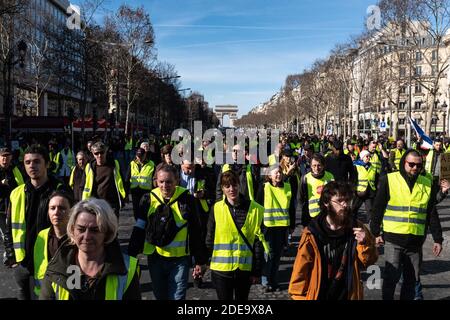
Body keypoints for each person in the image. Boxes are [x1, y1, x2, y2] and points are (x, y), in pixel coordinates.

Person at [370, 149, 444, 300]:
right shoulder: (389, 180)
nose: (415, 168)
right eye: (411, 164)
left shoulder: (427, 183)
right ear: (404, 163)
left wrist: (438, 238)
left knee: (411, 281)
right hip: (393, 239)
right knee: (391, 279)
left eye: (419, 165)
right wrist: (375, 233)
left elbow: (431, 212)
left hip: (415, 242)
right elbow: (378, 207)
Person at [127, 163, 207, 300]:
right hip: (155, 258)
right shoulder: (147, 199)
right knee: (160, 296)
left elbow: (195, 231)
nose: (165, 186)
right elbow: (139, 228)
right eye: (161, 182)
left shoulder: (187, 200)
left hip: (180, 259)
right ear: (156, 181)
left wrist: (200, 260)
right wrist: (131, 256)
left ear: (177, 180)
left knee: (177, 297)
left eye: (169, 182)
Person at [289, 181, 378, 300]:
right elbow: (300, 270)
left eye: (347, 200)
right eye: (340, 201)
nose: (345, 205)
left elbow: (369, 262)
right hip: (320, 294)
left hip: (347, 294)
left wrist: (365, 244)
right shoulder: (312, 232)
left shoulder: (357, 228)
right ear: (326, 203)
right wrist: (298, 296)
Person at [39, 198, 141, 300]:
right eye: (81, 229)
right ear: (72, 230)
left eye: (95, 230)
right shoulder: (57, 268)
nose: (87, 236)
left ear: (107, 232)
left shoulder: (127, 269)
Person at [3, 144, 67, 300]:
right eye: (28, 162)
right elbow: (9, 226)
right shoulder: (17, 193)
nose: (32, 165)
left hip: (52, 259)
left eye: (37, 161)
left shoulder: (60, 191)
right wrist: (11, 254)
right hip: (23, 262)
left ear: (47, 164)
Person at [206, 171, 268, 300]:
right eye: (227, 186)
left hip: (244, 270)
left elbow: (258, 242)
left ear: (239, 185)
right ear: (222, 188)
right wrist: (206, 261)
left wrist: (257, 271)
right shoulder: (216, 208)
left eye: (234, 185)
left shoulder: (255, 209)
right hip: (221, 270)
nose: (231, 189)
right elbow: (209, 238)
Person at [256, 166, 296, 293]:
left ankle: (274, 280)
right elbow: (257, 206)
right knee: (268, 255)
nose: (278, 175)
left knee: (277, 255)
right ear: (269, 175)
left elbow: (291, 208)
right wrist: (258, 225)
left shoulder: (288, 187)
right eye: (275, 173)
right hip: (267, 227)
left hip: (282, 226)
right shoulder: (264, 187)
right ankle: (265, 281)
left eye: (280, 172)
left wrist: (292, 225)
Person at [33, 191, 74, 296]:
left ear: (71, 211)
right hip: (45, 293)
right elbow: (39, 267)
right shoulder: (42, 235)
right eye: (52, 208)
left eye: (62, 208)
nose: (56, 212)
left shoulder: (77, 239)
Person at [82, 141, 126, 218]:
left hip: (112, 204)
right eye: (96, 153)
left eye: (102, 152)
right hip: (96, 204)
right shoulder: (89, 167)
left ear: (106, 152)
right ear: (93, 154)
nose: (99, 155)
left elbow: (122, 180)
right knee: (99, 228)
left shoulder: (114, 164)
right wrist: (84, 203)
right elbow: (83, 185)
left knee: (112, 228)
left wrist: (124, 196)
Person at [300, 153, 334, 227]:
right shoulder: (305, 178)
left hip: (326, 216)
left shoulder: (330, 177)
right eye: (314, 166)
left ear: (323, 165)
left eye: (319, 165)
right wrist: (304, 221)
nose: (316, 168)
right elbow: (302, 199)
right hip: (311, 217)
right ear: (311, 166)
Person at [0, 147, 25, 244]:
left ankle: (10, 253)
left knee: (12, 232)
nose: (4, 159)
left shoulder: (15, 170)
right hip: (1, 208)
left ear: (11, 158)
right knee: (5, 234)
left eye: (7, 156)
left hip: (13, 207)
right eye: (2, 156)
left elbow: (22, 186)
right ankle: (8, 254)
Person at [125, 148, 155, 220]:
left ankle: (145, 228)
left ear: (145, 155)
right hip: (135, 191)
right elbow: (127, 179)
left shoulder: (151, 164)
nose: (140, 158)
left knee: (145, 211)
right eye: (138, 156)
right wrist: (126, 194)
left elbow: (154, 179)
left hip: (146, 192)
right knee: (136, 212)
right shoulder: (132, 164)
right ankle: (138, 226)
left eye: (141, 156)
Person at [353, 150, 377, 223]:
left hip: (370, 191)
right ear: (362, 157)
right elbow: (353, 179)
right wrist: (353, 189)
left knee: (370, 209)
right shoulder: (356, 166)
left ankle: (371, 225)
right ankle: (351, 222)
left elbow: (376, 178)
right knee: (354, 208)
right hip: (359, 191)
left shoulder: (372, 166)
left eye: (369, 156)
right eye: (367, 156)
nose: (368, 158)